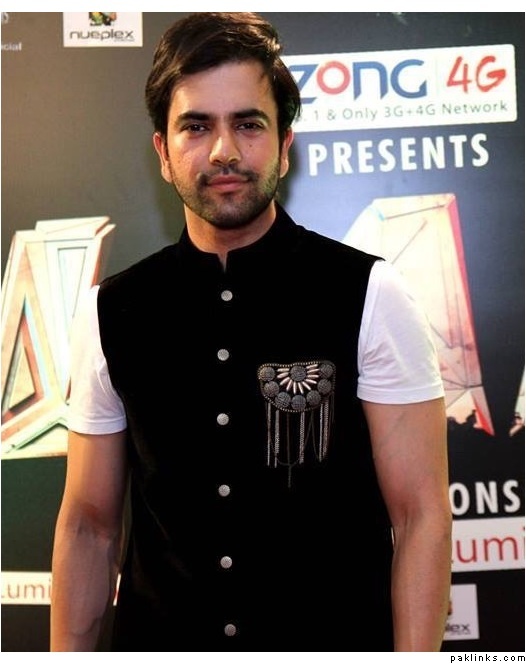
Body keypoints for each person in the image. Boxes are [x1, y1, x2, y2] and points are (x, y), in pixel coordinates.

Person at [50, 12, 452, 652]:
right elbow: (89, 527)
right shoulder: (110, 309)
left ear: (285, 145)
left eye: (248, 124)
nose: (224, 151)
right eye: (196, 126)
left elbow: (421, 516)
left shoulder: (370, 293)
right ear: (162, 153)